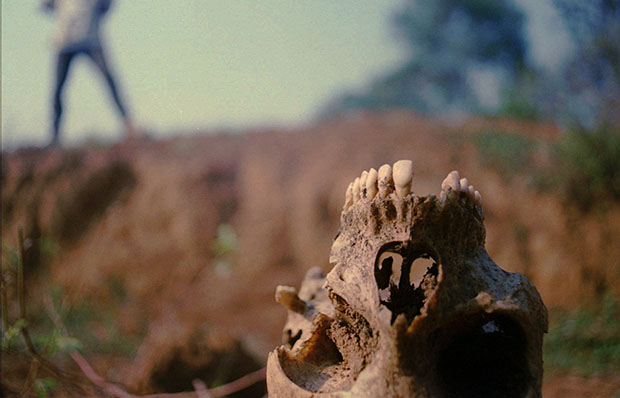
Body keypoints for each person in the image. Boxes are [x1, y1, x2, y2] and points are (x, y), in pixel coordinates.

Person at [42, 0, 135, 147]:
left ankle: (129, 126)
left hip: (91, 39)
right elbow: (45, 6)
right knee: (58, 88)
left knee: (109, 80)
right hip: (65, 41)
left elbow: (106, 6)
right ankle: (55, 135)